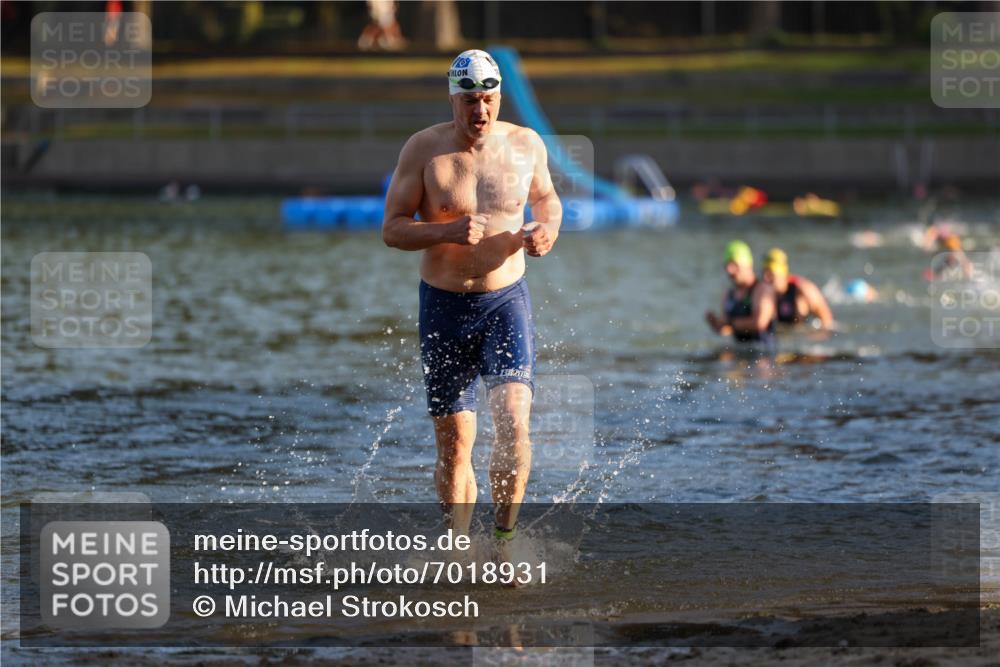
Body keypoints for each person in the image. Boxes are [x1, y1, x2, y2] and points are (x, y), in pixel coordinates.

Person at [382, 50, 562, 551]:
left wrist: (547, 230)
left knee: (513, 423)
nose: (479, 111)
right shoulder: (424, 150)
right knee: (456, 445)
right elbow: (393, 230)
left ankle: (505, 541)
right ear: (452, 99)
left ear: (499, 97)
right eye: (468, 101)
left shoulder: (525, 145)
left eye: (487, 99)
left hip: (505, 303)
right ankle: (457, 550)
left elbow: (547, 200)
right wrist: (447, 230)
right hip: (443, 307)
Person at [705, 240, 776, 345]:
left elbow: (760, 323)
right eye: (727, 266)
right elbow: (726, 330)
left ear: (748, 265)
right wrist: (715, 324)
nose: (729, 270)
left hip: (763, 352)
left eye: (734, 265)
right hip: (740, 351)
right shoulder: (729, 293)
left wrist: (730, 322)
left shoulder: (762, 289)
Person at [760, 248, 834, 329]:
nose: (765, 278)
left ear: (783, 274)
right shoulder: (762, 290)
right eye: (764, 272)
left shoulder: (803, 289)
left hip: (801, 335)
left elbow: (827, 321)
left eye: (771, 274)